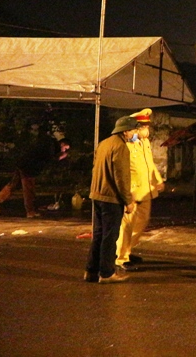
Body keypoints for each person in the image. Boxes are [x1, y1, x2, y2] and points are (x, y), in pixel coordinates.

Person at [83, 116, 136, 284]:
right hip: (111, 198)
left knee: (98, 235)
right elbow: (121, 177)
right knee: (109, 236)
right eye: (134, 130)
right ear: (126, 131)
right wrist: (128, 200)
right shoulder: (121, 147)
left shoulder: (104, 143)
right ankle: (107, 273)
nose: (134, 133)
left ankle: (91, 271)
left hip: (97, 195)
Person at [115, 108, 166, 271]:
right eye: (144, 126)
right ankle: (121, 258)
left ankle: (128, 251)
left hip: (146, 190)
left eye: (147, 126)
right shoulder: (125, 144)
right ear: (136, 128)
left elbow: (149, 164)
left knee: (141, 224)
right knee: (127, 226)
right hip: (131, 192)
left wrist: (158, 179)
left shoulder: (144, 142)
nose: (147, 130)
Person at [0, 123, 55, 218]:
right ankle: (30, 211)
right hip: (28, 167)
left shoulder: (37, 141)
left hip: (23, 164)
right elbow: (43, 158)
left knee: (13, 184)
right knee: (28, 189)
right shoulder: (45, 142)